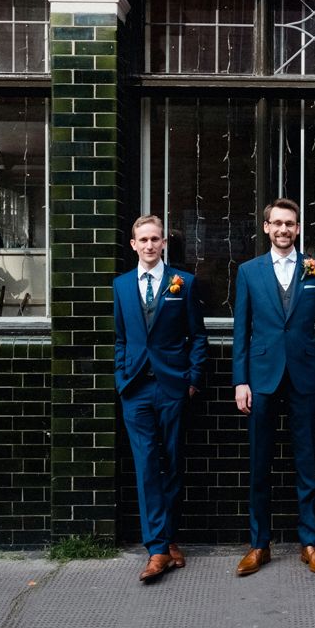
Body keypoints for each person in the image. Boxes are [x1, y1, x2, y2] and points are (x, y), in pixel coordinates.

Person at [233, 198, 315, 577]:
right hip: (262, 376)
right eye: (277, 223)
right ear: (266, 227)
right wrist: (241, 380)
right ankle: (259, 544)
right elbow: (241, 332)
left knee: (306, 460)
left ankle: (309, 542)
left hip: (304, 374)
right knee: (260, 463)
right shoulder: (249, 272)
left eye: (290, 224)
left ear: (298, 229)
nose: (284, 229)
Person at [114, 214, 208, 582]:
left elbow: (197, 337)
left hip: (172, 387)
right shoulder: (121, 286)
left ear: (164, 243)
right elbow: (122, 337)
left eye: (156, 239)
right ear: (133, 244)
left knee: (172, 463)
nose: (150, 245)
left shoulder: (182, 283)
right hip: (135, 389)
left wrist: (192, 380)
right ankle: (156, 549)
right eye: (144, 240)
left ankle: (168, 540)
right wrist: (122, 375)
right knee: (146, 466)